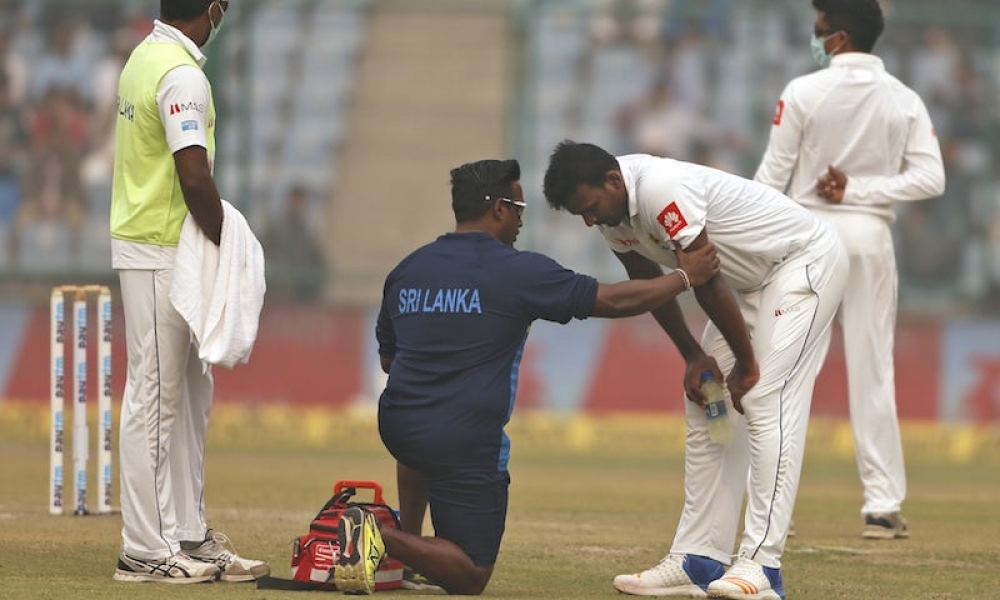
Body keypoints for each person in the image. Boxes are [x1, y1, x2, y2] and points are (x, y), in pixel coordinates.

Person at [333, 158, 721, 596]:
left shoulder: (407, 269)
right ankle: (379, 536)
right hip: (462, 440)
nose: (520, 221)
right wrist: (685, 277)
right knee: (470, 574)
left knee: (420, 428)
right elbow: (612, 301)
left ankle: (408, 545)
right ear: (498, 209)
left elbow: (389, 361)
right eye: (519, 208)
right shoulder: (517, 271)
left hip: (398, 427)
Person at [543, 141, 849, 600]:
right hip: (748, 287)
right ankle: (698, 558)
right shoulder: (612, 215)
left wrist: (747, 366)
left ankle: (763, 566)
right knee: (710, 401)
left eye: (590, 209)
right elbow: (649, 285)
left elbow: (702, 273)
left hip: (803, 262)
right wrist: (693, 357)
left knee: (764, 396)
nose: (589, 220)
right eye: (580, 216)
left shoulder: (662, 189)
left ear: (612, 181)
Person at [754, 0, 945, 540]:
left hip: (806, 236)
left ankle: (774, 508)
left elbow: (769, 181)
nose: (814, 37)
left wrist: (756, 247)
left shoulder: (803, 92)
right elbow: (931, 178)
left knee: (789, 373)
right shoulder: (903, 99)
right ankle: (882, 506)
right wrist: (862, 191)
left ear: (836, 38)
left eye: (819, 29)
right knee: (873, 368)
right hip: (868, 236)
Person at [110, 0, 269, 584]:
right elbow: (194, 174)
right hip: (159, 246)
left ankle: (187, 534)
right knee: (155, 397)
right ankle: (143, 549)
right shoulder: (180, 73)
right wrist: (230, 243)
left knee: (189, 398)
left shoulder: (143, 57)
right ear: (213, 9)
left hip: (166, 246)